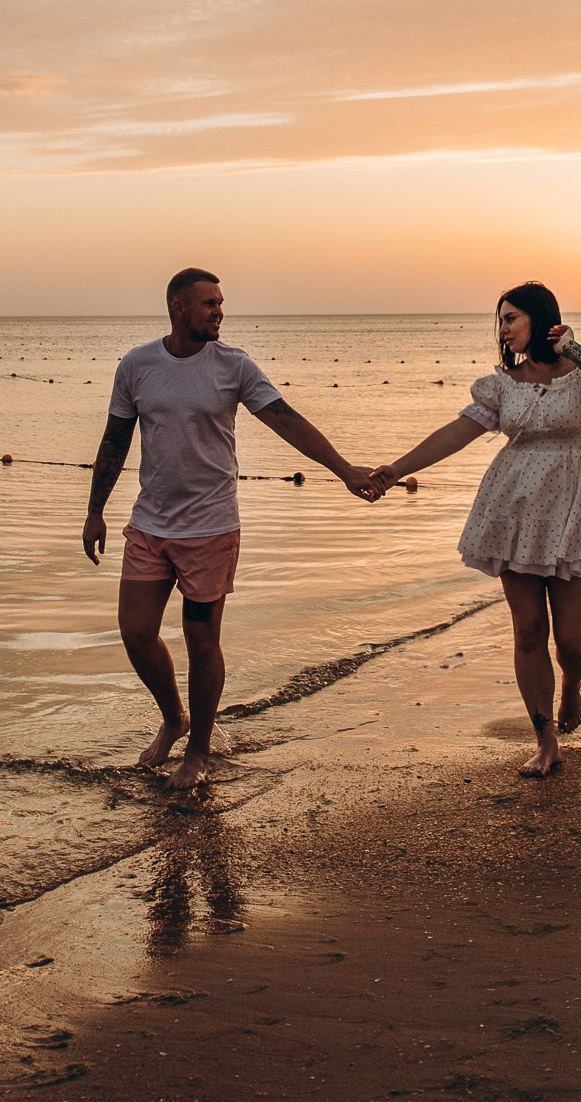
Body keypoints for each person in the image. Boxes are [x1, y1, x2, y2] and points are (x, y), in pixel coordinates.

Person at [82, 268, 375, 791]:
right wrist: (94, 510)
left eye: (221, 302)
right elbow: (114, 440)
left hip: (211, 528)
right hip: (150, 524)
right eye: (209, 303)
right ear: (178, 307)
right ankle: (175, 718)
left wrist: (344, 469)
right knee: (136, 633)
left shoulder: (234, 366)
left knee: (201, 638)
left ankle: (198, 751)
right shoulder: (137, 366)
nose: (219, 311)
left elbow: (288, 420)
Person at [369, 281, 581, 779]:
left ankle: (571, 686)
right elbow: (456, 433)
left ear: (539, 319)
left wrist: (570, 345)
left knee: (572, 643)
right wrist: (395, 469)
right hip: (512, 510)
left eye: (511, 318)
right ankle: (545, 740)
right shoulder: (501, 385)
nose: (503, 329)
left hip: (572, 508)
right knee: (529, 629)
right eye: (501, 320)